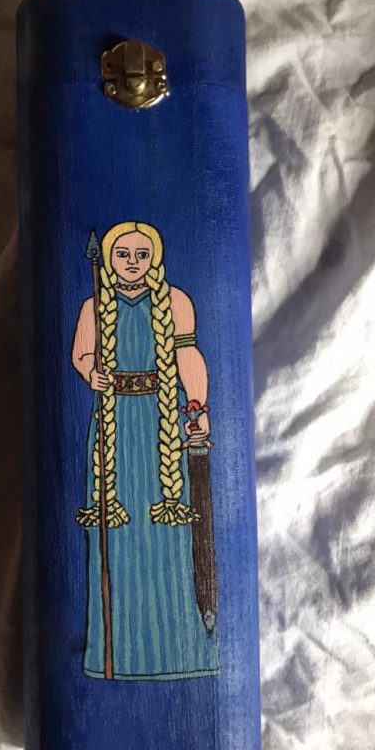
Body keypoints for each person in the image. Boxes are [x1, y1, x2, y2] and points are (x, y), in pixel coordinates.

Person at [72, 221, 220, 680]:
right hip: (114, 426)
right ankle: (114, 655)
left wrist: (197, 407)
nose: (132, 263)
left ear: (154, 256)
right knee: (115, 537)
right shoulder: (95, 305)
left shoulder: (176, 302)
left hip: (162, 425)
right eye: (123, 254)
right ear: (109, 258)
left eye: (141, 254)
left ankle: (179, 652)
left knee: (169, 536)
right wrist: (91, 372)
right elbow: (82, 354)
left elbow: (188, 357)